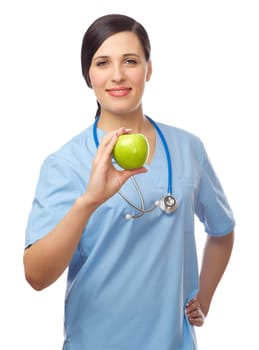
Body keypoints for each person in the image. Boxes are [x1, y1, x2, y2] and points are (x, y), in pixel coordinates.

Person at [23, 13, 235, 350]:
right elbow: (36, 276)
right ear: (88, 75)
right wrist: (88, 201)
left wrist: (203, 300)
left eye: (131, 61)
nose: (118, 75)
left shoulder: (188, 148)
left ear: (149, 69)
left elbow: (222, 230)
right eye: (103, 62)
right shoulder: (65, 164)